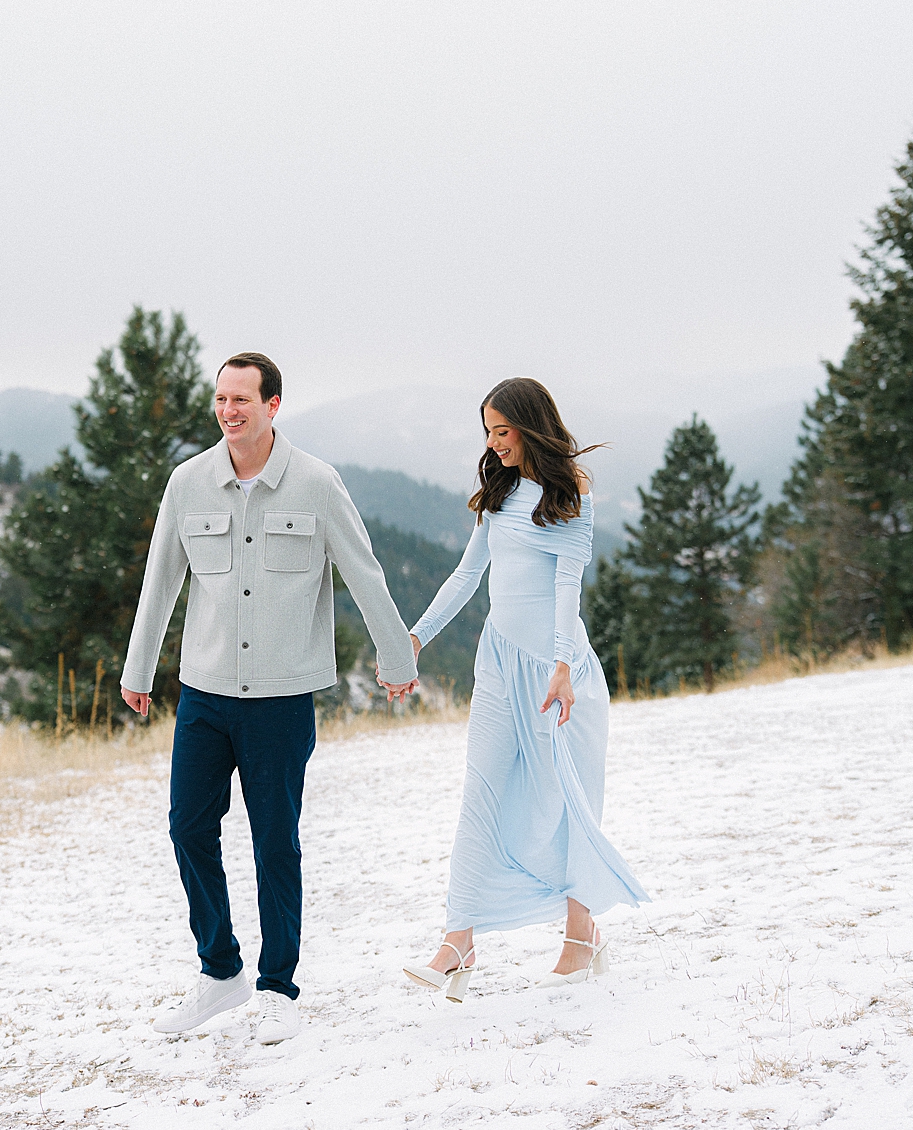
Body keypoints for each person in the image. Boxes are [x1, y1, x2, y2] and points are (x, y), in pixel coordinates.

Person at [121, 352, 419, 1044]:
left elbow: (364, 572)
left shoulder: (316, 484)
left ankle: (278, 986)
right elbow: (160, 580)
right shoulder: (187, 483)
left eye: (242, 400)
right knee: (188, 828)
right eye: (221, 399)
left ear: (273, 405)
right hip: (204, 694)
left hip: (281, 700)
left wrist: (396, 657)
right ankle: (219, 971)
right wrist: (139, 670)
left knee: (274, 842)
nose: (228, 411)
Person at [402, 377, 648, 1001]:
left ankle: (581, 936)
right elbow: (467, 574)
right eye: (487, 432)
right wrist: (418, 636)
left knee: (570, 798)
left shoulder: (570, 493)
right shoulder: (499, 492)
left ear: (531, 426)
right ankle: (458, 940)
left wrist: (563, 665)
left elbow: (568, 586)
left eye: (502, 431)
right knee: (480, 789)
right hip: (498, 663)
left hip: (559, 672)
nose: (493, 443)